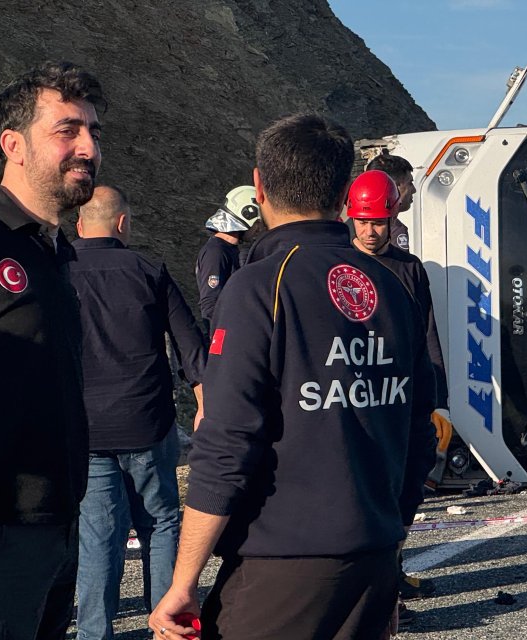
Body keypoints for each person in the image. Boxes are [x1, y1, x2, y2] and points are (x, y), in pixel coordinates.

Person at [148, 113, 437, 639]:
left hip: (282, 559)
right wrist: (392, 531)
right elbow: (420, 428)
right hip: (372, 554)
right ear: (344, 193)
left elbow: (227, 440)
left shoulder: (259, 286)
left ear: (259, 186)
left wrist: (183, 579)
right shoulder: (394, 287)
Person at [0, 61, 103, 639]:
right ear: (13, 145)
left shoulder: (57, 253)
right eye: (67, 130)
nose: (89, 147)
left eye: (94, 131)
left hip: (56, 527)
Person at [69, 186, 207, 639]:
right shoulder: (149, 269)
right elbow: (190, 347)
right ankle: (169, 629)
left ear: (79, 225)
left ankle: (94, 633)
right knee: (162, 523)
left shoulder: (58, 269)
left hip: (86, 429)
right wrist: (204, 405)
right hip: (147, 422)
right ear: (123, 223)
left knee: (98, 536)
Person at [346, 169, 450, 620]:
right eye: (363, 222)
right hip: (356, 406)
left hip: (405, 401)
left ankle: (390, 580)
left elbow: (426, 334)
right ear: (350, 218)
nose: (371, 232)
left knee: (406, 493)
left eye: (379, 223)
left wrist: (436, 396)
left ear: (393, 219)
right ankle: (370, 598)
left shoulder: (409, 270)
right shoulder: (337, 267)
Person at [195, 185, 260, 326]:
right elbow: (210, 304)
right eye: (257, 222)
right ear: (246, 215)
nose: (258, 228)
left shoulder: (231, 250)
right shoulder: (216, 252)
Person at [366, 153, 416, 252]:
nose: (414, 190)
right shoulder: (394, 228)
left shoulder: (351, 225)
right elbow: (400, 266)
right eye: (410, 183)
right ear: (394, 186)